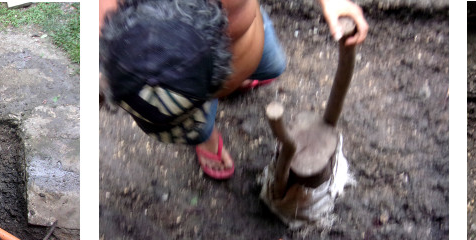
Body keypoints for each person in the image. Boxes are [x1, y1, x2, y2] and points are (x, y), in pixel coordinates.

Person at [100, 0, 368, 179]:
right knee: (195, 126)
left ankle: (237, 83)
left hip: (251, 39)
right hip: (179, 96)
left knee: (274, 66)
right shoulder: (99, 16)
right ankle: (205, 134)